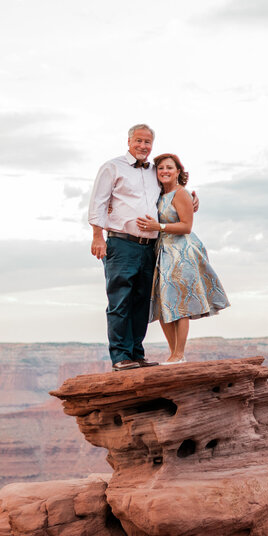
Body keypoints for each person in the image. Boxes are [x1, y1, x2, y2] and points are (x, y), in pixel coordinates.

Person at [135, 153, 229, 364]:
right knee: (163, 302)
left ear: (178, 171)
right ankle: (173, 353)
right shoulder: (158, 194)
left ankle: (180, 353)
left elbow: (186, 226)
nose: (165, 171)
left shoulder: (181, 194)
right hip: (162, 252)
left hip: (181, 252)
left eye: (169, 167)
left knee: (179, 303)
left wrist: (158, 226)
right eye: (160, 168)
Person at [88, 124, 162, 371]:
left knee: (142, 301)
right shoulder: (113, 167)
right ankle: (120, 356)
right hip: (121, 243)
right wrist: (98, 236)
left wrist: (191, 201)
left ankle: (136, 353)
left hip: (149, 246)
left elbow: (169, 194)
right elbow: (98, 201)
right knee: (120, 300)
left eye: (148, 142)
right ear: (129, 141)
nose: (143, 146)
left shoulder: (154, 171)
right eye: (139, 141)